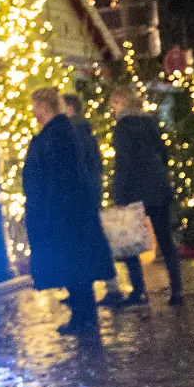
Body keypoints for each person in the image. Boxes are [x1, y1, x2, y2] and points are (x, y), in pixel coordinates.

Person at [23, 87, 114, 336]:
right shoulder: (60, 133)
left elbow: (57, 179)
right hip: (68, 213)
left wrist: (50, 214)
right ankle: (83, 316)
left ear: (44, 106)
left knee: (74, 267)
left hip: (63, 215)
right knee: (75, 267)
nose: (33, 111)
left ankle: (83, 317)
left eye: (35, 105)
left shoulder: (58, 136)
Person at [109, 87, 183, 308]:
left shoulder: (122, 128)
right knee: (165, 240)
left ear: (124, 103)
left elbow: (124, 163)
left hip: (133, 191)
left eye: (115, 103)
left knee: (129, 243)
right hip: (157, 188)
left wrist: (119, 195)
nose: (112, 108)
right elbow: (164, 153)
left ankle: (138, 291)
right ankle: (177, 290)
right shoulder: (149, 123)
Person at [61, 92, 123, 308]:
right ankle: (91, 288)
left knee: (92, 242)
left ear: (69, 109)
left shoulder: (74, 132)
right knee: (92, 241)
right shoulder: (82, 131)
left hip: (83, 197)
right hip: (89, 194)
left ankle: (106, 288)